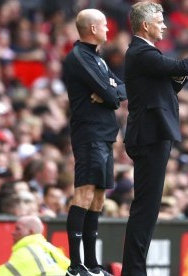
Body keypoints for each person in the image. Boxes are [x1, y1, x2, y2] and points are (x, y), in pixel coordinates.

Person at [121, 2, 188, 275]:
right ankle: (133, 271)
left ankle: (135, 268)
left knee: (149, 206)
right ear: (146, 25)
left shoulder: (144, 53)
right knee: (146, 207)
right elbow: (182, 65)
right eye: (160, 20)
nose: (165, 25)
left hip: (152, 134)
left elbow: (166, 84)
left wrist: (176, 75)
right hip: (149, 135)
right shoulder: (142, 52)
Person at [63, 8, 127, 276]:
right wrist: (109, 92)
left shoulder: (97, 58)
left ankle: (92, 264)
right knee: (85, 194)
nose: (108, 30)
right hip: (89, 133)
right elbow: (112, 96)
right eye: (104, 26)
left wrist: (110, 90)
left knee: (99, 199)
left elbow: (121, 89)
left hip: (104, 134)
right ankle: (76, 266)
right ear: (92, 29)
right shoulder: (79, 57)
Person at [0, 215, 70, 275]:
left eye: (18, 229)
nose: (13, 232)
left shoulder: (27, 252)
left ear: (31, 232)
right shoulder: (49, 248)